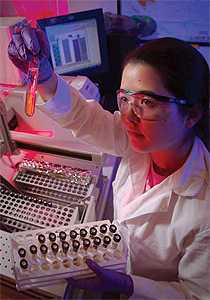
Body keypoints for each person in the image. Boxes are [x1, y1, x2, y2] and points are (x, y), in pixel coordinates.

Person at [8, 22, 210, 300]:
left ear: (192, 114)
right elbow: (84, 117)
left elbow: (196, 296)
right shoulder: (140, 141)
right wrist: (43, 78)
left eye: (147, 103)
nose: (128, 116)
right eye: (124, 99)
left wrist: (128, 285)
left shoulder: (204, 208)